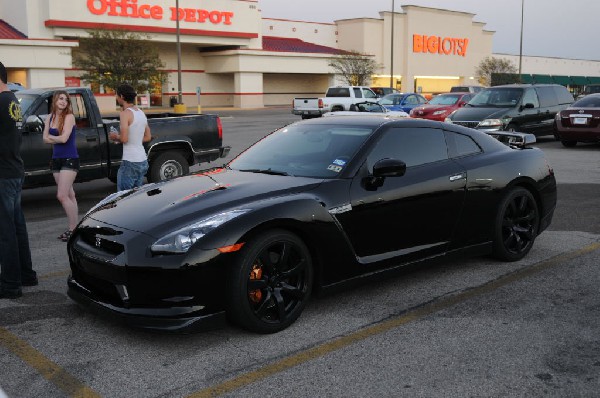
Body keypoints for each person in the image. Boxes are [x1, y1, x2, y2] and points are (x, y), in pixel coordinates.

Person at [0, 61, 37, 299]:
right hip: (14, 169)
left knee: (5, 231)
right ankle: (26, 274)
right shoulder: (12, 100)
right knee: (17, 226)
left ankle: (11, 284)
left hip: (3, 173)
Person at [42, 90, 79, 242]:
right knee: (70, 195)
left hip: (69, 159)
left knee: (62, 195)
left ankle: (73, 230)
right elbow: (44, 139)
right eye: (60, 99)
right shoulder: (49, 117)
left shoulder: (69, 117)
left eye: (66, 99)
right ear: (55, 101)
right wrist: (53, 138)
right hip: (56, 160)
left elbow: (64, 139)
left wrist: (51, 137)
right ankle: (75, 228)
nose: (63, 101)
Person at [109, 83, 152, 191]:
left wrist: (115, 137)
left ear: (122, 96)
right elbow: (148, 137)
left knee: (123, 198)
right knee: (136, 197)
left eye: (117, 95)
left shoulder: (125, 113)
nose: (116, 98)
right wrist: (133, 140)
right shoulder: (141, 112)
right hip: (142, 160)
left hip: (130, 162)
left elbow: (124, 139)